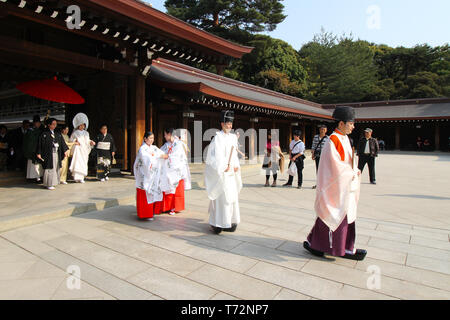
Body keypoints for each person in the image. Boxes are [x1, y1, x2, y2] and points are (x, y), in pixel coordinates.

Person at [304, 106, 367, 261]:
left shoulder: (345, 138)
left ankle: (334, 245)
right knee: (335, 215)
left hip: (344, 185)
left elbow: (347, 162)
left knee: (342, 215)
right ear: (341, 124)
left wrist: (355, 170)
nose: (353, 126)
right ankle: (334, 247)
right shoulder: (333, 140)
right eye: (350, 123)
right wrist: (350, 172)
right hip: (336, 185)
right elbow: (334, 166)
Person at [205, 110, 242, 234]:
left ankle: (231, 221)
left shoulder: (233, 137)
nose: (230, 126)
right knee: (222, 198)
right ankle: (218, 224)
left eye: (231, 124)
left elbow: (235, 154)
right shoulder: (217, 138)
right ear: (222, 124)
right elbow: (214, 156)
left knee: (231, 198)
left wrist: (236, 165)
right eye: (227, 124)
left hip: (231, 172)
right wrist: (222, 167)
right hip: (222, 172)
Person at [134, 131, 168, 220]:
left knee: (152, 194)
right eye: (150, 138)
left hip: (153, 175)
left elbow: (160, 153)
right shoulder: (142, 149)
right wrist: (158, 156)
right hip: (144, 175)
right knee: (145, 194)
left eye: (153, 138)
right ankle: (144, 214)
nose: (152, 140)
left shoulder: (154, 148)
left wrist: (164, 155)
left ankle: (151, 213)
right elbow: (146, 159)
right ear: (145, 139)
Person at [160, 128, 191, 215]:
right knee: (167, 185)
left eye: (165, 134)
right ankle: (167, 207)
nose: (164, 136)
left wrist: (166, 157)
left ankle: (174, 207)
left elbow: (176, 157)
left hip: (177, 170)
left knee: (174, 188)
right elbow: (161, 152)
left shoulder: (178, 144)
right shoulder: (167, 144)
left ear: (169, 134)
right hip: (168, 169)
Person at [36, 118, 69, 190]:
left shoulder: (57, 133)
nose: (55, 126)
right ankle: (48, 183)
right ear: (49, 125)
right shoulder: (44, 134)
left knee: (56, 167)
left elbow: (62, 142)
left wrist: (65, 150)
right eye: (53, 124)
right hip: (48, 153)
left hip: (56, 152)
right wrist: (39, 152)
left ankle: (54, 182)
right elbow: (40, 144)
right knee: (49, 168)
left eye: (55, 124)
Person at [69, 113, 95, 183]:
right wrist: (75, 142)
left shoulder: (86, 133)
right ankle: (76, 177)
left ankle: (82, 177)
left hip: (84, 150)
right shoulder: (75, 133)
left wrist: (91, 142)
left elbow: (87, 140)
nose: (82, 126)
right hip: (78, 150)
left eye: (83, 125)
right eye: (81, 125)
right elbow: (71, 141)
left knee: (83, 163)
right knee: (78, 163)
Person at [23, 115, 44, 182]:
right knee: (33, 165)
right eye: (37, 123)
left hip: (37, 149)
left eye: (39, 123)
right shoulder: (30, 131)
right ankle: (32, 177)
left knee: (38, 165)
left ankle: (38, 177)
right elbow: (28, 142)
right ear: (34, 123)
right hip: (32, 150)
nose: (38, 124)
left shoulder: (40, 130)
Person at [311, 125, 329, 189]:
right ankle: (318, 184)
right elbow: (313, 145)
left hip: (325, 155)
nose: (322, 131)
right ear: (319, 130)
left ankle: (324, 184)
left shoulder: (328, 138)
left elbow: (329, 147)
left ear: (326, 130)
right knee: (318, 169)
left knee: (324, 170)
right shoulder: (316, 137)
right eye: (321, 129)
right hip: (317, 154)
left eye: (324, 130)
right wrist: (313, 154)